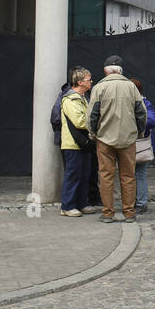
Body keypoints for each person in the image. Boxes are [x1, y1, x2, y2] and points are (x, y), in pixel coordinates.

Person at [86, 54, 147, 223]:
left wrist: (93, 133)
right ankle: (129, 213)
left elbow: (92, 115)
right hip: (128, 139)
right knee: (128, 176)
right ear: (121, 71)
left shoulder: (99, 88)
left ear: (106, 71)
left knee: (106, 176)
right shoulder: (131, 87)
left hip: (105, 139)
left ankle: (108, 213)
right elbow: (141, 113)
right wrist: (139, 132)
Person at [56, 67, 98, 217]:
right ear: (80, 82)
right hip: (73, 144)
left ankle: (81, 203)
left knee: (85, 174)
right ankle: (67, 206)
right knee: (73, 175)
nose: (91, 81)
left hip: (83, 143)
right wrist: (96, 122)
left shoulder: (83, 98)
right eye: (89, 79)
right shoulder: (70, 99)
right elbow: (80, 121)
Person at [130, 77, 155, 215]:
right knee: (130, 175)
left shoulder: (145, 103)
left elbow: (151, 121)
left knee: (139, 174)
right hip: (128, 144)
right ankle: (133, 202)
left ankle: (140, 203)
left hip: (138, 144)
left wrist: (133, 124)